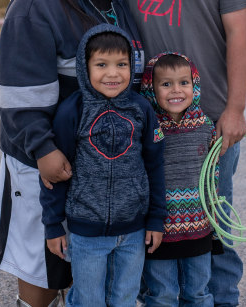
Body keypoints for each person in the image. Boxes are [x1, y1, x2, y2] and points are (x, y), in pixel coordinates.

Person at [12, 0, 246, 306]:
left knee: (214, 224)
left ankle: (222, 300)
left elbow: (240, 35)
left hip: (204, 120)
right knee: (147, 230)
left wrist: (235, 109)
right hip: (136, 118)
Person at [0, 0, 146, 307]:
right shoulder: (35, 3)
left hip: (98, 158)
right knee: (44, 261)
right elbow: (17, 94)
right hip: (45, 155)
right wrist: (43, 149)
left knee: (90, 262)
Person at [40, 24, 166, 306]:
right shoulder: (73, 111)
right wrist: (53, 225)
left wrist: (156, 219)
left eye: (121, 64)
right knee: (88, 301)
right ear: (85, 67)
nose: (113, 73)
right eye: (101, 64)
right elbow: (55, 175)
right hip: (86, 233)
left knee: (124, 298)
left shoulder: (142, 109)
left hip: (134, 231)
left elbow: (155, 166)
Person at [139, 52, 219, 306]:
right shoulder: (148, 128)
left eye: (184, 83)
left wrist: (214, 221)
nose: (176, 90)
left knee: (197, 292)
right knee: (161, 294)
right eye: (166, 84)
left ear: (194, 86)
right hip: (159, 229)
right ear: (151, 88)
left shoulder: (205, 126)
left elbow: (212, 177)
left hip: (198, 226)